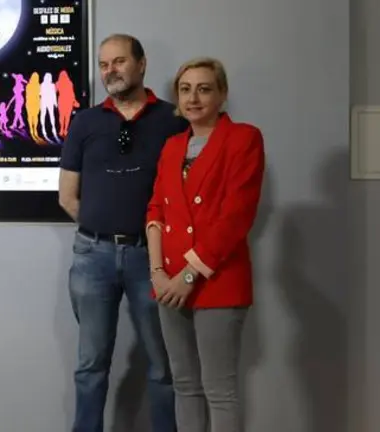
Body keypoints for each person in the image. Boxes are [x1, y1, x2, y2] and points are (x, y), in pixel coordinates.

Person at [58, 33, 187, 432]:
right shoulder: (85, 122)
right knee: (90, 366)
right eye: (103, 64)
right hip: (92, 257)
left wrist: (148, 242)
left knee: (163, 365)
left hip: (152, 260)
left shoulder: (173, 120)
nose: (109, 71)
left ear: (141, 64)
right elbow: (67, 197)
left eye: (118, 61)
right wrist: (104, 229)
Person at [145, 57, 265, 432]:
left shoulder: (243, 139)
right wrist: (158, 273)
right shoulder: (171, 146)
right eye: (185, 90)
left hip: (217, 280)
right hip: (169, 283)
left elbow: (236, 217)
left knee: (219, 390)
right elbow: (156, 208)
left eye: (204, 89)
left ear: (222, 94)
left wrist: (189, 274)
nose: (193, 98)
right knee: (184, 386)